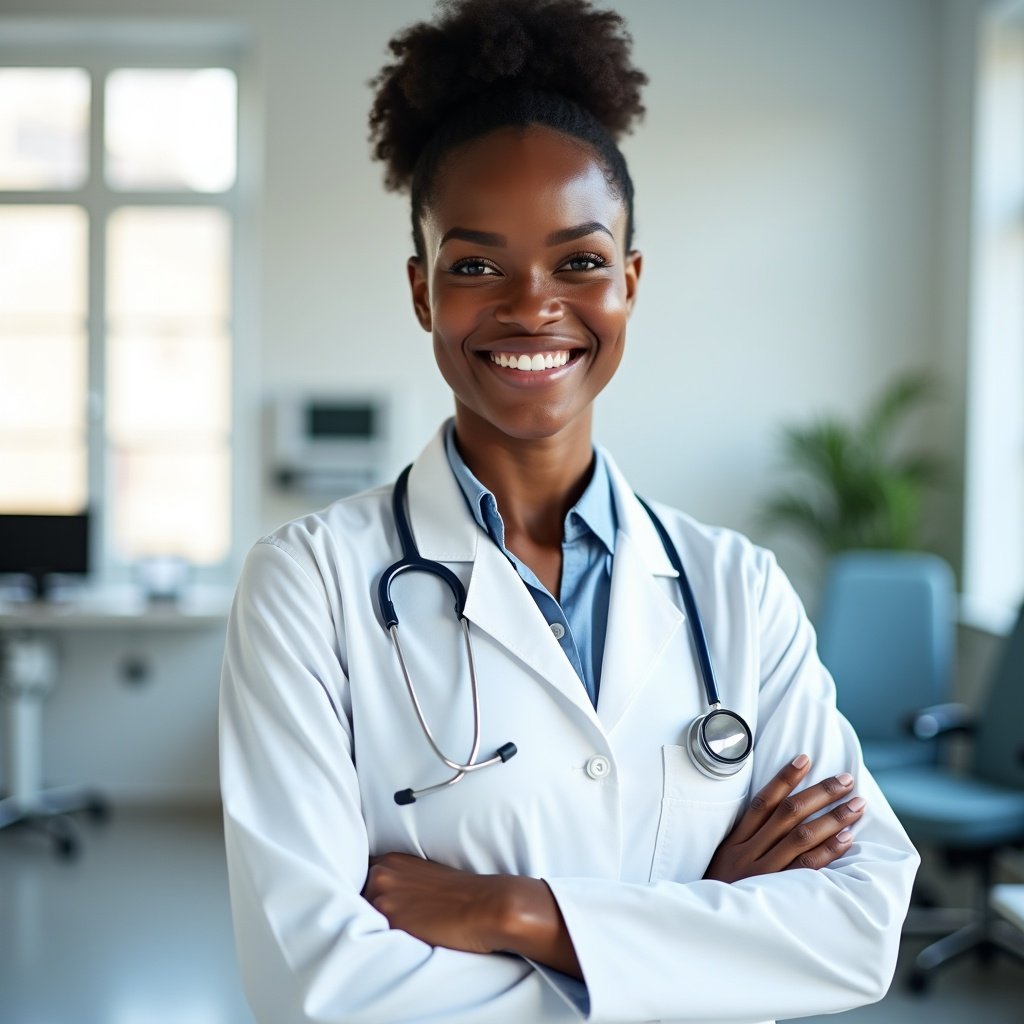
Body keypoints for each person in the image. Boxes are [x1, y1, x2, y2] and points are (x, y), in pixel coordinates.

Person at [219, 2, 919, 1021]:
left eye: (580, 261)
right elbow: (323, 983)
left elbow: (856, 929)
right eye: (474, 265)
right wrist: (700, 923)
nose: (531, 303)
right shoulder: (307, 585)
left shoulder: (736, 589)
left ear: (628, 282)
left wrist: (522, 912)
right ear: (422, 293)